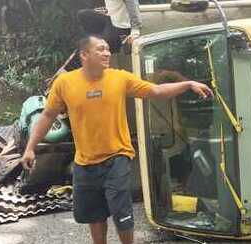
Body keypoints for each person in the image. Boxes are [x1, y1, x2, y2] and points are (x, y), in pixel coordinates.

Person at [21, 35, 213, 244]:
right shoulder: (65, 83)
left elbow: (155, 91)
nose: (107, 53)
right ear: (84, 55)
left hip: (117, 158)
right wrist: (30, 148)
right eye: (100, 49)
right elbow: (48, 116)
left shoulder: (119, 78)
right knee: (95, 215)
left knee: (122, 214)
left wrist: (188, 84)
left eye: (107, 49)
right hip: (84, 163)